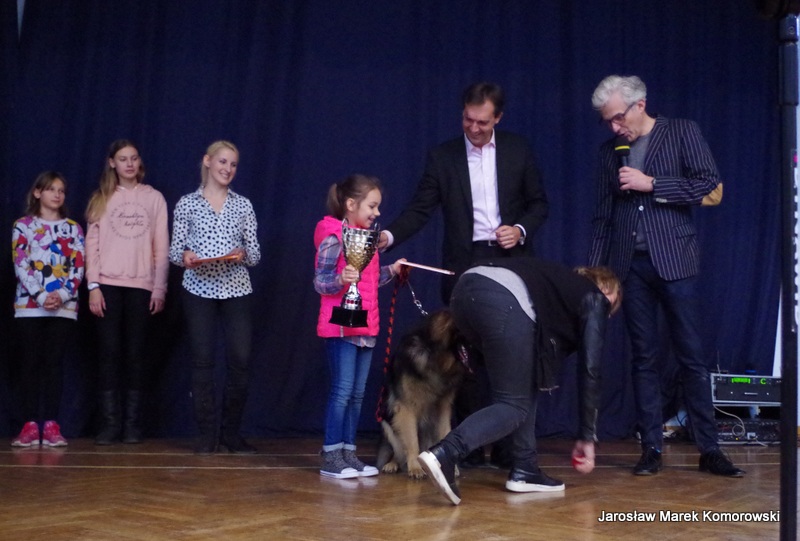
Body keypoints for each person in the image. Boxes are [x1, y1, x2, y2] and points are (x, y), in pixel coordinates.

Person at [379, 81, 549, 468]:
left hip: (512, 260)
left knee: (511, 355)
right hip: (465, 264)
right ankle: (467, 448)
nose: (473, 128)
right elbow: (419, 209)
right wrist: (387, 237)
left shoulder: (518, 149)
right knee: (463, 360)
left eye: (482, 122)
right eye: (468, 120)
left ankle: (508, 448)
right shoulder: (443, 157)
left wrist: (520, 229)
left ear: (498, 118)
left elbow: (539, 204)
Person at [587, 75, 744, 477]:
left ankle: (710, 449)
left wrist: (653, 184)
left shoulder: (681, 131)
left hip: (675, 261)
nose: (614, 127)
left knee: (691, 356)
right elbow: (603, 216)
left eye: (618, 118)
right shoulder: (609, 152)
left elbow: (710, 187)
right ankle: (651, 448)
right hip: (629, 266)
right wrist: (596, 273)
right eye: (607, 121)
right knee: (643, 358)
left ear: (639, 104)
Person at [417, 257, 621, 505]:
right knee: (512, 405)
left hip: (465, 291)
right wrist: (587, 437)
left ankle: (525, 468)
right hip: (502, 299)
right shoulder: (594, 298)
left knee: (521, 389)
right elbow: (591, 370)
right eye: (611, 299)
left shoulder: (553, 290)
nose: (608, 308)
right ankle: (446, 452)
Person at [169, 140, 261, 455]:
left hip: (236, 288)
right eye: (223, 162)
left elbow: (255, 255)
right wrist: (186, 256)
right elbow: (174, 252)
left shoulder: (243, 205)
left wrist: (242, 253)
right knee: (202, 360)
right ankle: (207, 436)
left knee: (240, 360)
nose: (228, 169)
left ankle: (231, 434)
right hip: (199, 288)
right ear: (208, 161)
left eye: (233, 164)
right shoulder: (187, 203)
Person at [313, 174, 405, 479]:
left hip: (367, 326)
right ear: (351, 204)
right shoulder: (333, 236)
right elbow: (320, 281)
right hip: (341, 327)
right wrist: (340, 279)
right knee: (342, 391)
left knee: (356, 393)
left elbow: (371, 281)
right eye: (372, 206)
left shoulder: (368, 240)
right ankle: (331, 455)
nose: (377, 212)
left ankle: (349, 453)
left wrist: (393, 270)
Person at [85, 140, 169, 445]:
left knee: (136, 355)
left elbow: (162, 246)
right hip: (107, 284)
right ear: (112, 163)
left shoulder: (154, 198)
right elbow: (91, 246)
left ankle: (133, 425)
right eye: (123, 159)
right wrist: (93, 286)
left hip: (141, 285)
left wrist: (159, 287)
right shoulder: (101, 198)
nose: (129, 164)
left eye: (134, 158)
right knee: (109, 354)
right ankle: (110, 424)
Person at [11, 171, 85, 447]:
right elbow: (21, 262)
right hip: (29, 306)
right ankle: (29, 425)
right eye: (52, 189)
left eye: (61, 190)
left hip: (63, 307)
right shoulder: (23, 226)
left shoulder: (74, 229)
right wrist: (41, 296)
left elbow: (78, 266)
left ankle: (52, 425)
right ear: (38, 193)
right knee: (30, 363)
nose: (57, 194)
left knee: (54, 363)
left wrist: (62, 294)